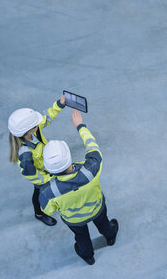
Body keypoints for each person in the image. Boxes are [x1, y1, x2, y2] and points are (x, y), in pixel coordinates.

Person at [40, 109, 118, 265]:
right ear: (69, 157)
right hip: (97, 208)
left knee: (81, 237)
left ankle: (88, 255)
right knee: (104, 223)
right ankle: (110, 237)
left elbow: (48, 210)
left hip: (74, 220)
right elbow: (93, 147)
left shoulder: (48, 191)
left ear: (48, 168)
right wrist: (80, 126)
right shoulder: (91, 169)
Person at [8, 93, 67, 226]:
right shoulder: (25, 154)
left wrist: (60, 104)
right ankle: (39, 213)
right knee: (39, 192)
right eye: (36, 124)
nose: (39, 124)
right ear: (28, 131)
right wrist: (48, 180)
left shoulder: (33, 131)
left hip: (49, 169)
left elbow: (47, 118)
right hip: (43, 177)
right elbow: (32, 176)